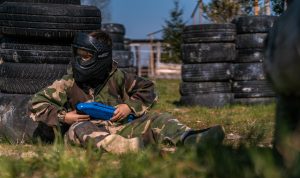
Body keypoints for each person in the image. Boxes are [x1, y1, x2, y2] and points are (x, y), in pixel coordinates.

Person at [29, 30, 225, 154]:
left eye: (87, 56)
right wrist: (65, 117)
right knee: (79, 129)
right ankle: (126, 147)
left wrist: (128, 106)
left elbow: (148, 89)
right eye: (79, 55)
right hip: (86, 130)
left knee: (159, 118)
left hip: (121, 127)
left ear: (101, 56)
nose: (81, 61)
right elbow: (37, 103)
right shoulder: (69, 81)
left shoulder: (119, 77)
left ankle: (190, 139)